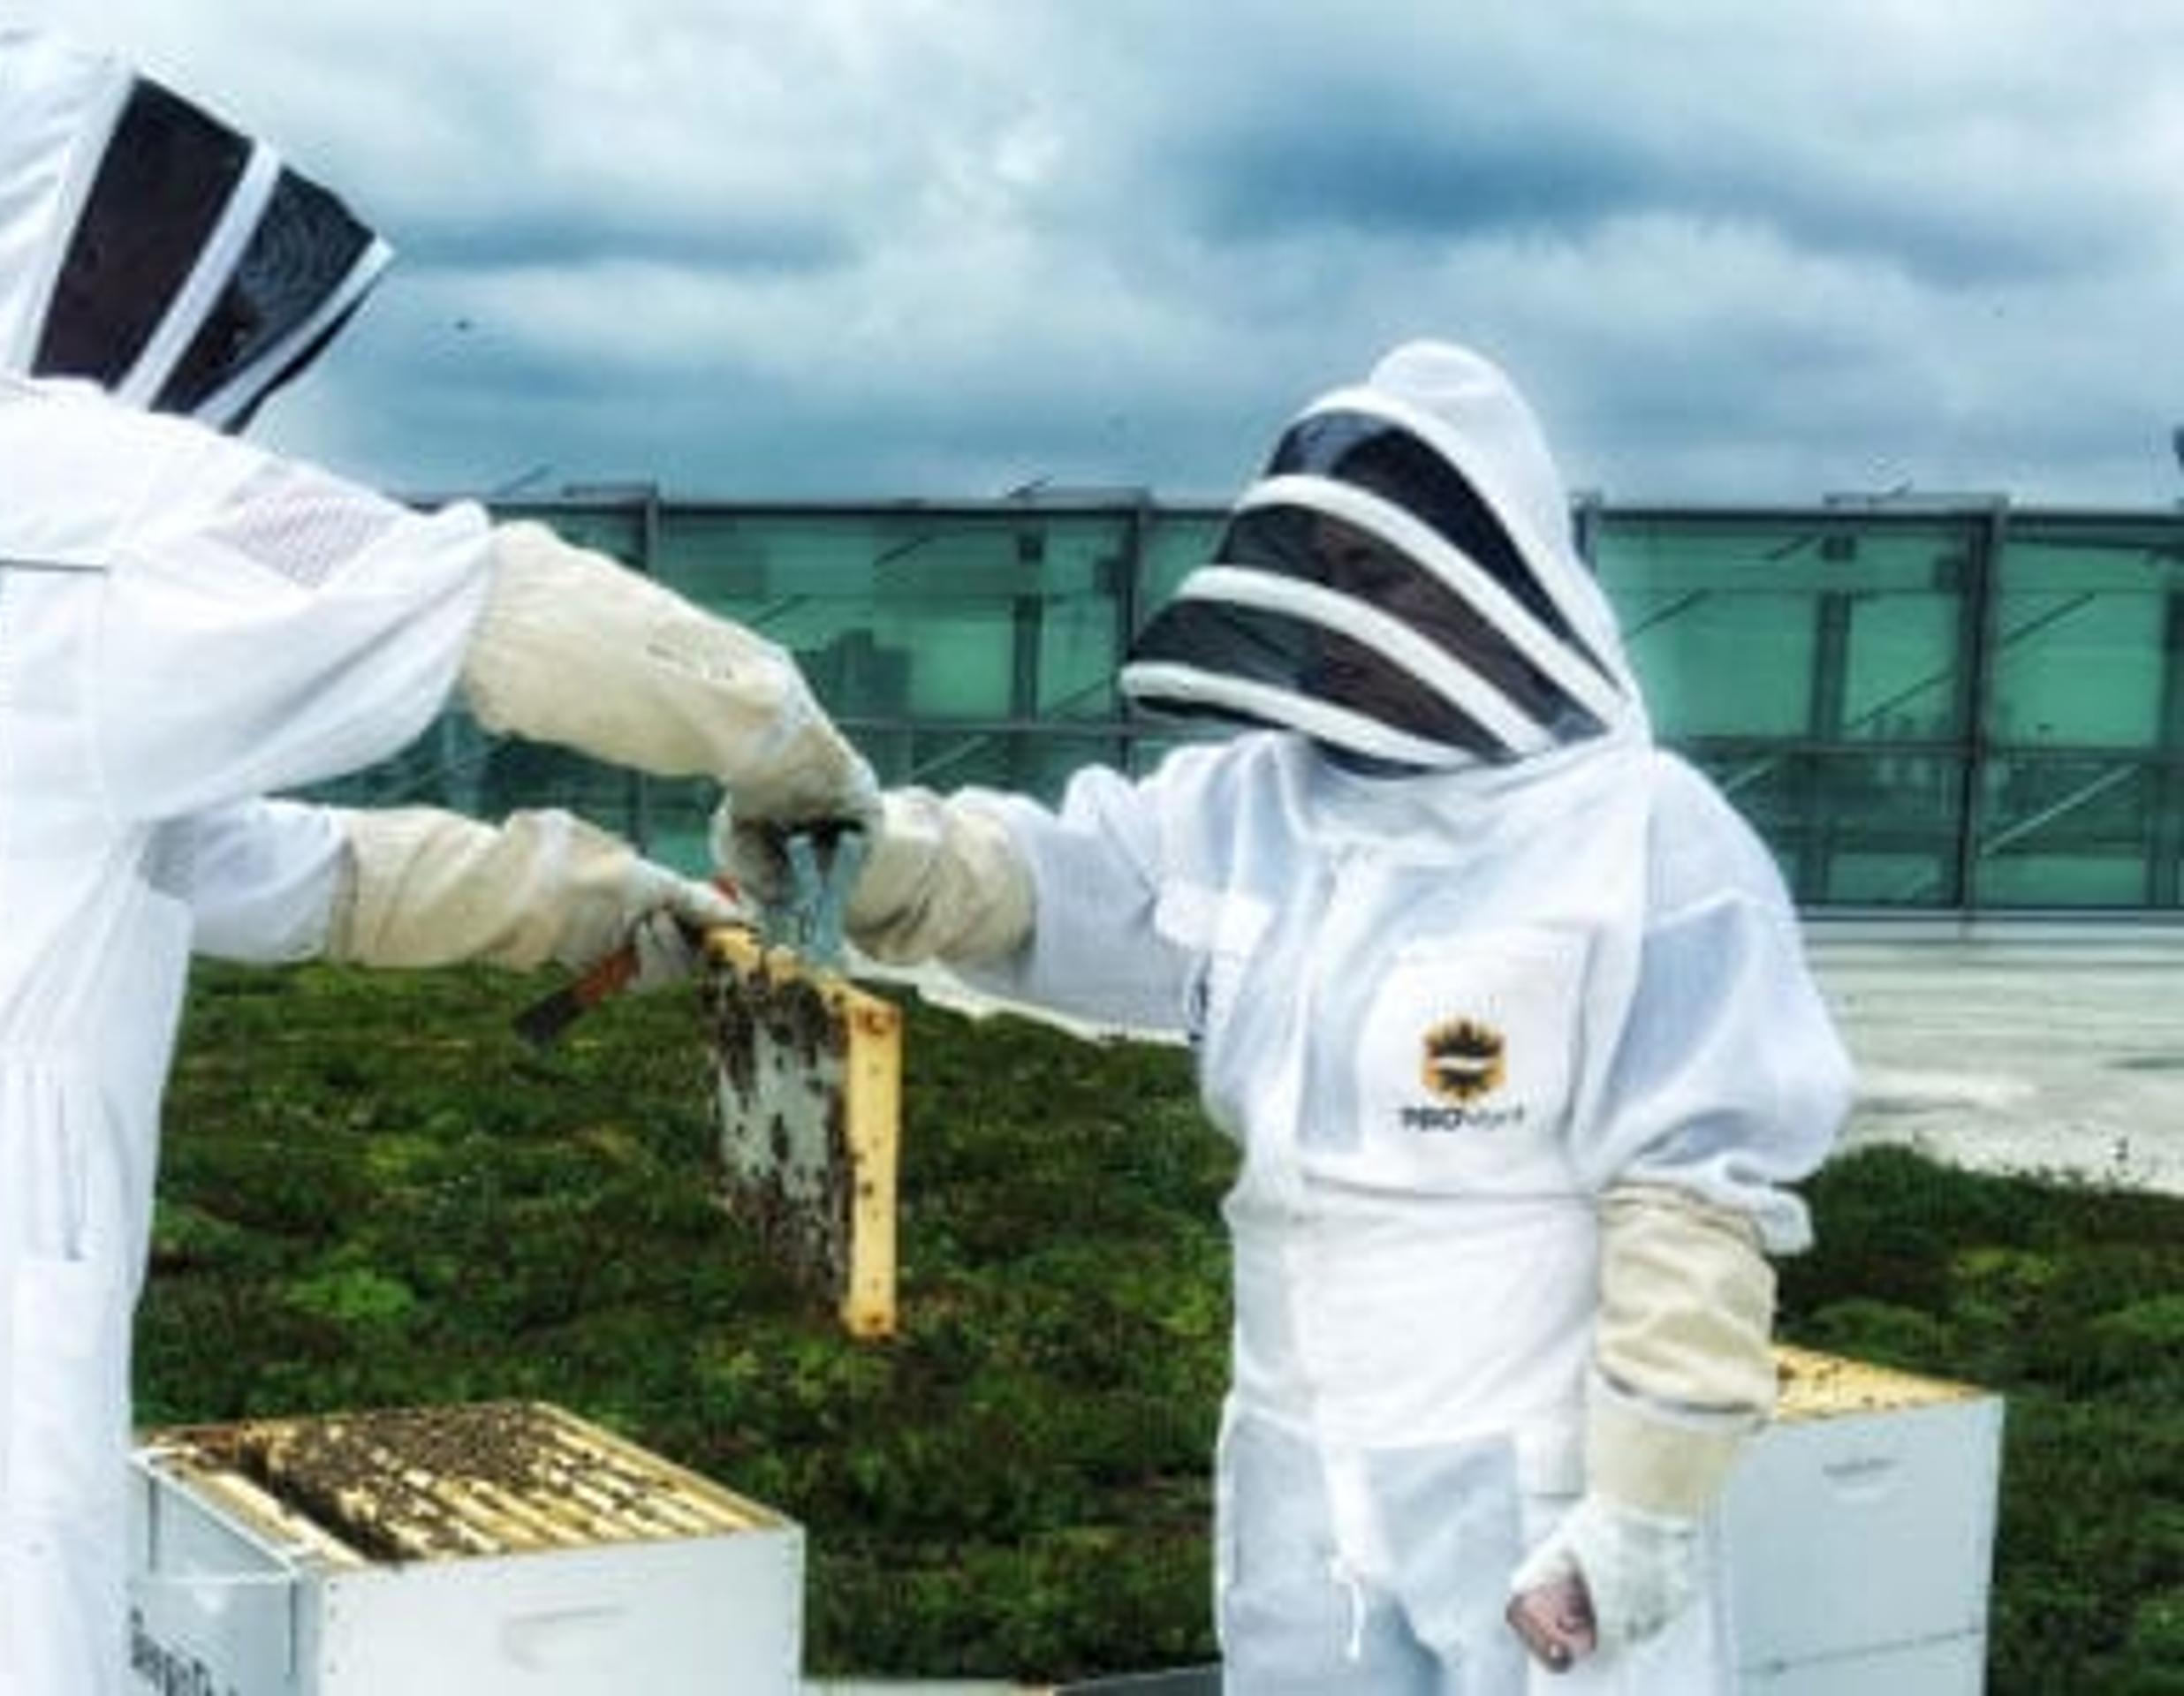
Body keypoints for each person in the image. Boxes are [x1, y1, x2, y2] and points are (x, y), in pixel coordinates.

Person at [0, 27, 876, 1694]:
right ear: (97, 247)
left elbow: (254, 865)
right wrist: (786, 743)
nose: (243, 317)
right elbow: (504, 610)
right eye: (194, 240)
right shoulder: (79, 492)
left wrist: (585, 901)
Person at [719, 340, 1851, 1690]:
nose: (1333, 619)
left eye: (1374, 578)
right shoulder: (1259, 808)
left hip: (1532, 1479)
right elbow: (1053, 882)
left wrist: (1650, 1501)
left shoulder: (1646, 842)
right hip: (1298, 1464)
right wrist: (877, 850)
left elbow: (1694, 1199)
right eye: (1324, 580)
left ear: (1496, 580)